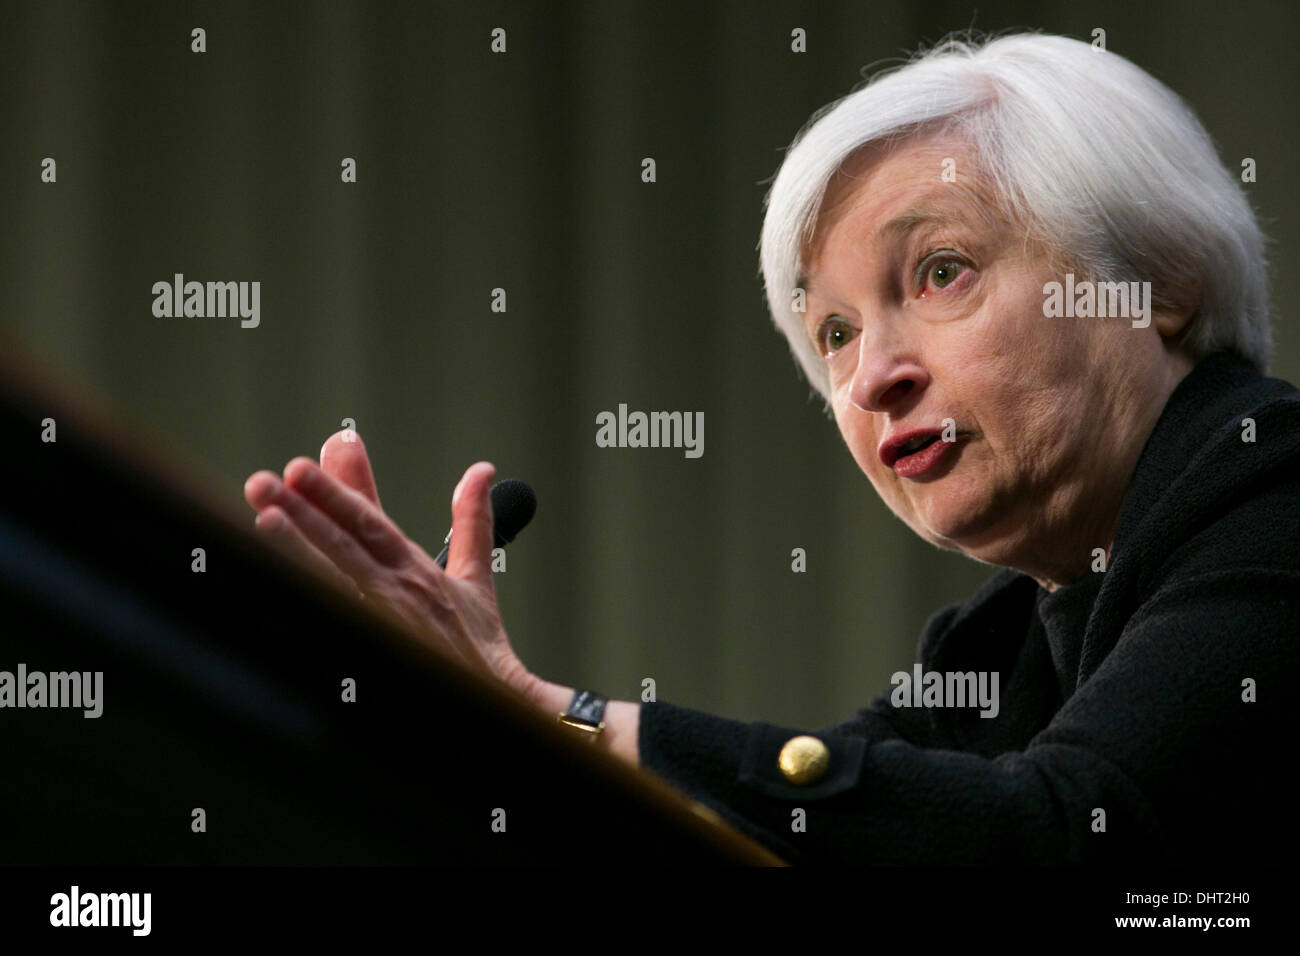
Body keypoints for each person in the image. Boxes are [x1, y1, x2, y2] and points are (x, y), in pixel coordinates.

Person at [243, 31, 1300, 864]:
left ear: (1155, 285)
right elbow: (797, 837)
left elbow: (1062, 836)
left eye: (940, 273)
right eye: (834, 332)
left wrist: (542, 712)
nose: (873, 373)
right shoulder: (1003, 642)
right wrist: (453, 733)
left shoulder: (1280, 490)